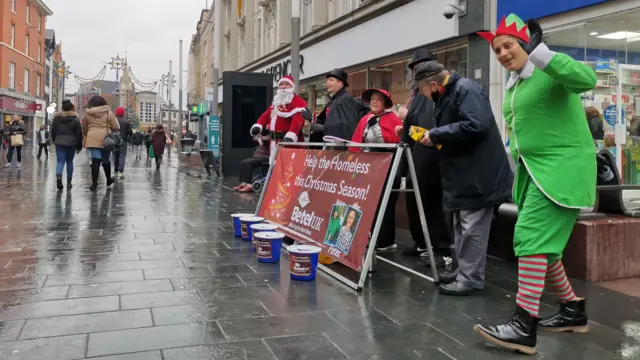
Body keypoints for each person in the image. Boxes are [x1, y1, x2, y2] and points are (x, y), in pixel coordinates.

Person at [472, 15, 597, 355]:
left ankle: (523, 324)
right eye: (497, 49)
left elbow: (587, 78)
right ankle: (572, 310)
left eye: (508, 45)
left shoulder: (548, 72)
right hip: (534, 172)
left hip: (561, 171)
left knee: (528, 237)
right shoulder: (517, 84)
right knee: (546, 247)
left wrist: (544, 54)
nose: (502, 53)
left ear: (526, 45)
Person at [412, 59, 513, 297]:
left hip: (478, 175)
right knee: (461, 225)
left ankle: (471, 279)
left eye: (422, 90)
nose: (423, 96)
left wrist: (436, 134)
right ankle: (463, 272)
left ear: (433, 84)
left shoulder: (466, 89)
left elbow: (476, 125)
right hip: (465, 174)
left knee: (472, 228)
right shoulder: (451, 92)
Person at [397, 48, 452, 268]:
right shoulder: (416, 94)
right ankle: (420, 242)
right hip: (414, 156)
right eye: (414, 66)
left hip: (432, 157)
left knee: (431, 203)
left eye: (422, 64)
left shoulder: (439, 91)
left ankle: (440, 247)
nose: (417, 69)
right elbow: (408, 127)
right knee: (413, 200)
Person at [349, 88, 402, 251]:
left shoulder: (393, 118)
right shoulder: (366, 118)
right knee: (368, 202)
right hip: (368, 167)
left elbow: (395, 141)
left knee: (384, 204)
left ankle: (385, 240)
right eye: (372, 99)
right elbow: (356, 142)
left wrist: (378, 131)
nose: (374, 101)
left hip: (387, 166)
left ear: (385, 103)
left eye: (378, 99)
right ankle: (369, 234)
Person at [250, 75, 306, 164]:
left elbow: (297, 121)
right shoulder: (277, 102)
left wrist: (291, 136)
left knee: (289, 165)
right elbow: (266, 114)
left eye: (287, 84)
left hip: (287, 142)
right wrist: (259, 125)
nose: (283, 87)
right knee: (274, 165)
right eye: (281, 84)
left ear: (292, 86)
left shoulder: (298, 102)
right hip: (273, 142)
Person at [310, 69, 361, 142]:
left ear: (340, 83)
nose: (327, 83)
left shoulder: (345, 100)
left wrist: (323, 128)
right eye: (327, 80)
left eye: (331, 80)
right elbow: (322, 119)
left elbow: (346, 127)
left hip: (341, 147)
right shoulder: (334, 101)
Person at [83, 95, 120, 191]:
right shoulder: (108, 112)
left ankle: (94, 184)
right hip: (105, 138)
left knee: (95, 160)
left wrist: (88, 133)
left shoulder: (87, 113)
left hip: (92, 137)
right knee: (106, 160)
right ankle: (108, 179)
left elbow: (85, 127)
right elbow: (115, 126)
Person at [51, 100, 83, 190]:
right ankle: (69, 182)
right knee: (69, 162)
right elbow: (79, 133)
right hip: (71, 143)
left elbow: (53, 130)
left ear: (62, 108)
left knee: (60, 162)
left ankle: (59, 177)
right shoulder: (75, 119)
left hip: (59, 142)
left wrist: (54, 140)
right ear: (71, 108)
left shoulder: (57, 119)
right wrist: (79, 145)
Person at [113, 107, 132, 179]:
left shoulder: (114, 121)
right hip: (123, 141)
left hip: (115, 140)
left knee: (116, 156)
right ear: (123, 113)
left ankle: (115, 171)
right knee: (122, 155)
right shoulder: (126, 122)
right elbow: (130, 132)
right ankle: (121, 172)